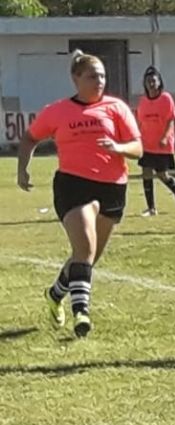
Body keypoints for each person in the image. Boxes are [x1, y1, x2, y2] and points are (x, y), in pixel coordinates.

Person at [16, 50, 143, 337]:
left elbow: (138, 148)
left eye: (102, 76)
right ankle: (81, 313)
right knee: (84, 248)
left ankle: (54, 294)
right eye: (92, 76)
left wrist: (118, 147)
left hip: (113, 186)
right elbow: (29, 137)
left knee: (86, 257)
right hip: (73, 185)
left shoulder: (116, 108)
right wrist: (23, 169)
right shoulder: (57, 111)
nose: (99, 81)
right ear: (75, 79)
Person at [136, 66, 175, 216]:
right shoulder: (143, 101)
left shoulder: (166, 98)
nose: (151, 83)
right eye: (148, 81)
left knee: (162, 175)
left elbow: (171, 120)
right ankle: (151, 208)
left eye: (153, 80)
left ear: (159, 82)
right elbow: (140, 121)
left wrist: (165, 137)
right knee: (146, 172)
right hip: (146, 143)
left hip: (162, 144)